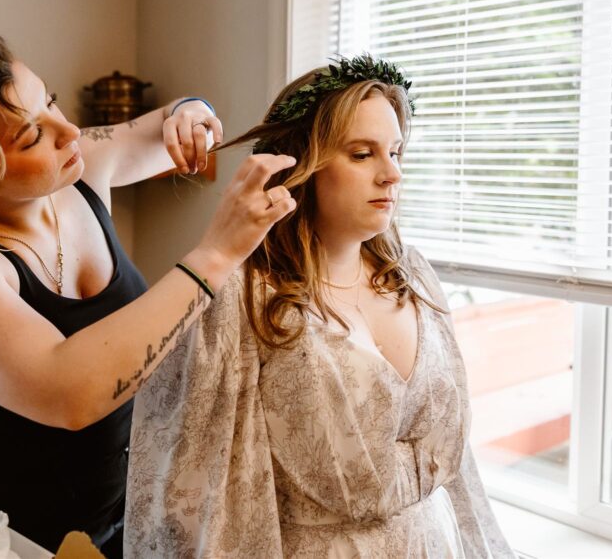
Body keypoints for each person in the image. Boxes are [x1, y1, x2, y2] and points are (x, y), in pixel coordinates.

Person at [0, 31, 297, 556]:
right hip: (10, 532)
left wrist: (193, 110)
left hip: (124, 505)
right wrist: (216, 255)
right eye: (31, 136)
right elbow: (70, 393)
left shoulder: (78, 164)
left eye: (48, 99)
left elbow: (167, 122)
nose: (69, 131)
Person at [125, 55, 515, 557]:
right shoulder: (244, 300)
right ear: (300, 164)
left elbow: (459, 474)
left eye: (396, 152)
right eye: (361, 154)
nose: (392, 173)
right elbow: (195, 491)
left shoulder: (415, 279)